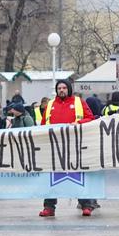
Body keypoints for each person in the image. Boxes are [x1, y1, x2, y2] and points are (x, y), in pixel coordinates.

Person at [36, 79, 96, 218]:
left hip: (75, 145)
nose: (61, 90)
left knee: (77, 175)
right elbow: (44, 124)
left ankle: (86, 205)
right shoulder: (50, 104)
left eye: (64, 88)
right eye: (59, 88)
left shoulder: (79, 102)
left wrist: (79, 123)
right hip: (54, 146)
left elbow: (90, 118)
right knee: (50, 177)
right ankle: (49, 207)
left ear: (69, 89)